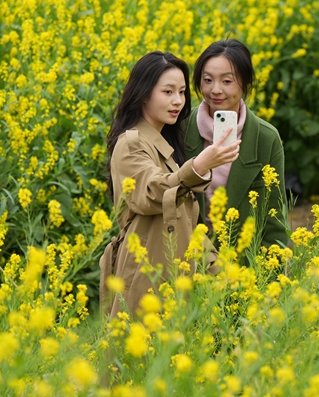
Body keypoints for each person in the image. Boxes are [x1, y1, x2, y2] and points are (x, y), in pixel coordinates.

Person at [100, 51, 239, 317]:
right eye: (168, 92)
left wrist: (220, 272)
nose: (178, 101)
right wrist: (199, 166)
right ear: (143, 94)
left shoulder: (163, 145)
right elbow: (152, 193)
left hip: (171, 279)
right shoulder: (131, 143)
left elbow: (186, 226)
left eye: (182, 92)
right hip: (145, 282)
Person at [184, 39, 288, 258]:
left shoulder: (266, 138)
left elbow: (274, 219)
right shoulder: (180, 127)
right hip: (186, 257)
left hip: (241, 262)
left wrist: (271, 273)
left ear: (245, 82)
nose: (216, 90)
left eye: (227, 81)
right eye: (208, 80)